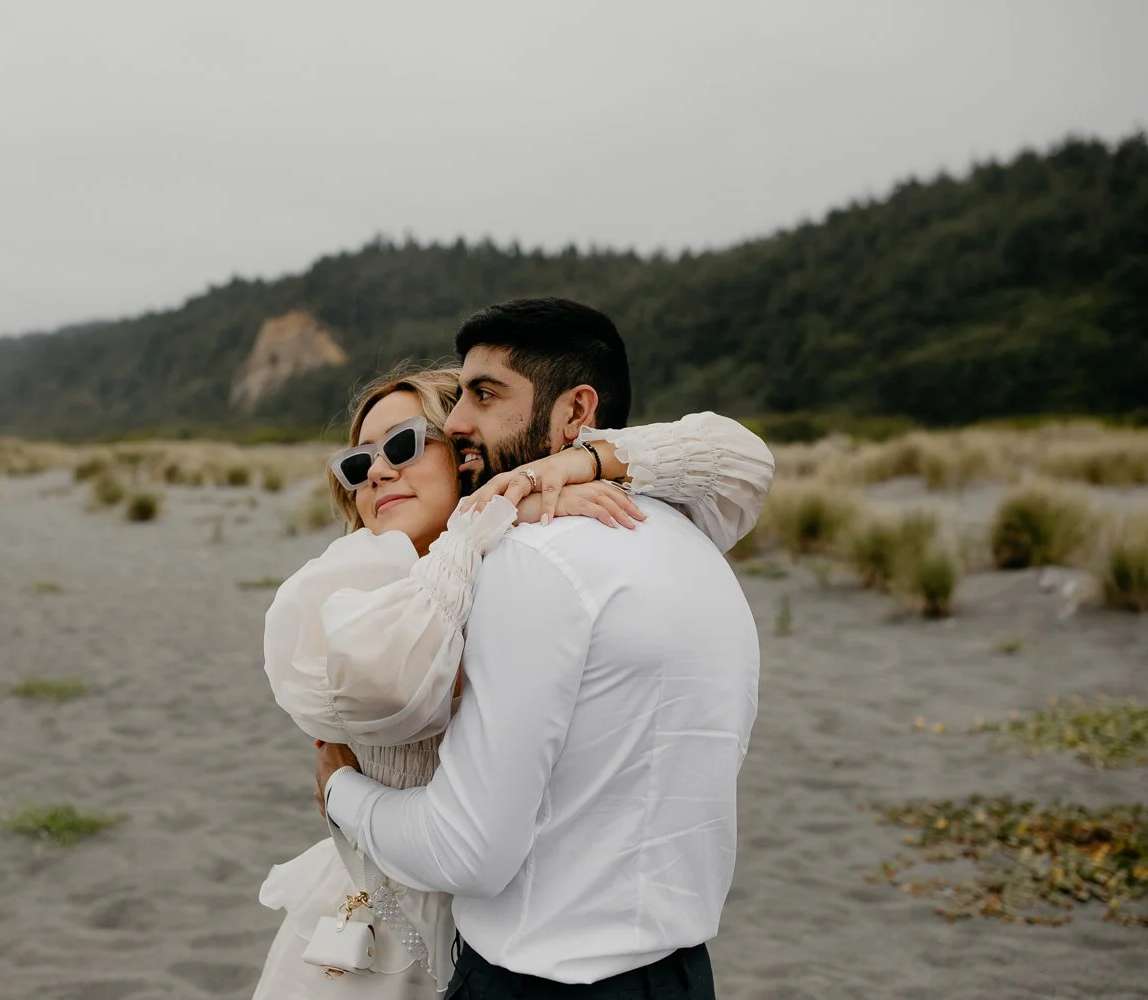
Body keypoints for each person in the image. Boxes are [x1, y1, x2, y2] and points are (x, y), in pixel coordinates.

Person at [261, 304, 771, 998]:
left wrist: (574, 464)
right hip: (375, 931)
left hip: (493, 935)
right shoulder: (363, 586)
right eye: (358, 462)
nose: (377, 473)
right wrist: (489, 520)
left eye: (407, 444)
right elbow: (371, 680)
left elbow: (739, 456)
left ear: (459, 453)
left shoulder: (526, 556)